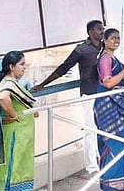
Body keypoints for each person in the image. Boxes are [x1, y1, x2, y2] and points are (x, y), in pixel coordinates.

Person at [32, 19, 104, 174]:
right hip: (89, 94)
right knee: (90, 130)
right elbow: (63, 68)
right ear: (90, 31)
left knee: (104, 129)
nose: (102, 31)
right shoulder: (81, 49)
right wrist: (43, 84)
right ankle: (92, 167)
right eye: (99, 29)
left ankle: (104, 161)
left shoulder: (105, 47)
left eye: (103, 28)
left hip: (105, 92)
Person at [0, 50, 37, 191]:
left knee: (14, 165)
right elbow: (3, 97)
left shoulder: (13, 82)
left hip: (20, 133)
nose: (24, 67)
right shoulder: (8, 83)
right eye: (22, 64)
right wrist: (13, 115)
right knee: (12, 168)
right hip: (16, 134)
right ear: (11, 67)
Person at [93, 28, 124, 190]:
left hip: (117, 105)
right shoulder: (105, 58)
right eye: (113, 38)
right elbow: (108, 83)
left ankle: (123, 185)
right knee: (114, 145)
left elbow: (115, 84)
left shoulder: (112, 58)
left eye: (118, 38)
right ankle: (112, 186)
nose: (116, 41)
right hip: (109, 108)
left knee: (123, 145)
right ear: (105, 40)